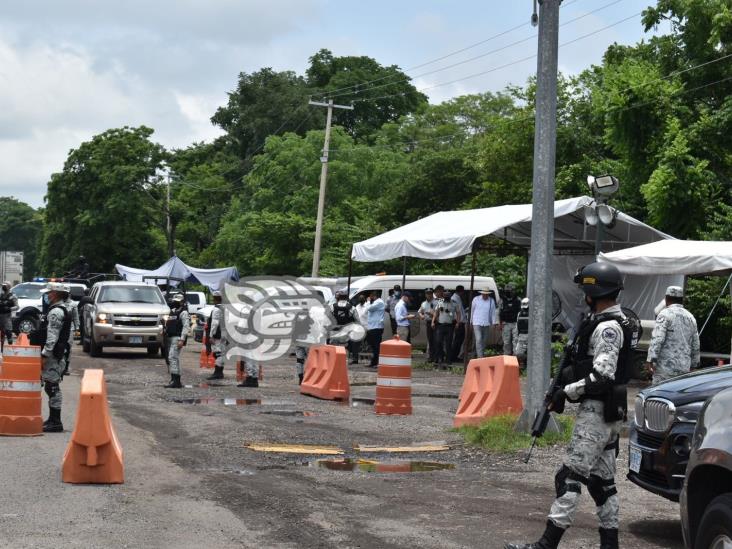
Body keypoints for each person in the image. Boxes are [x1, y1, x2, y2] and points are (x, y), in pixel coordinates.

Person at [505, 262, 630, 549]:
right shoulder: (607, 321)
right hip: (608, 413)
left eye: (585, 289)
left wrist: (566, 392)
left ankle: (547, 544)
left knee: (569, 476)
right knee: (602, 483)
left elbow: (602, 376)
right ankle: (610, 545)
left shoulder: (607, 327)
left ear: (593, 291)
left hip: (596, 413)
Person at [645, 285, 700, 384]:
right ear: (682, 300)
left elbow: (657, 339)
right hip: (684, 369)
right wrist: (694, 364)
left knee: (659, 395)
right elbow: (696, 344)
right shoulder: (691, 317)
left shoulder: (664, 314)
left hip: (665, 369)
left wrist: (650, 359)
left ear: (666, 299)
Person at [41, 282, 72, 433]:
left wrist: (45, 355)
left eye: (49, 293)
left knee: (52, 386)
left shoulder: (56, 312)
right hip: (57, 353)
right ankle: (53, 419)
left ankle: (56, 421)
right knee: (50, 385)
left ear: (56, 294)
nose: (47, 295)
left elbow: (52, 336)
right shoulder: (60, 309)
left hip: (54, 355)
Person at [164, 293, 191, 388]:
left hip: (177, 338)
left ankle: (175, 381)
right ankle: (175, 379)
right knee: (172, 358)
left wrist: (182, 339)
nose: (175, 303)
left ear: (182, 302)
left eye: (177, 302)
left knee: (172, 357)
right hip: (170, 337)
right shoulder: (173, 311)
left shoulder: (183, 312)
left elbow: (186, 327)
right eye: (174, 301)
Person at [432, 285, 456, 368]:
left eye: (448, 296)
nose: (446, 297)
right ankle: (440, 358)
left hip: (449, 325)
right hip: (441, 325)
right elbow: (436, 312)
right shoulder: (440, 302)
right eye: (445, 295)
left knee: (448, 343)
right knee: (438, 342)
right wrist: (433, 321)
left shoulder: (453, 303)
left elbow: (458, 313)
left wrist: (458, 322)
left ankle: (448, 360)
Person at [331, 289, 358, 363]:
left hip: (335, 329)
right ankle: (343, 361)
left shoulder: (332, 306)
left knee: (335, 346)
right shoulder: (351, 307)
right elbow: (357, 319)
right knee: (344, 346)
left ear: (338, 298)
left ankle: (334, 361)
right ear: (347, 298)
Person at [471, 289, 497, 358]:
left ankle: (480, 353)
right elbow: (472, 311)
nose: (485, 295)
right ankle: (480, 357)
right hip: (476, 322)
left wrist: (494, 322)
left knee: (484, 341)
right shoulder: (476, 299)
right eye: (484, 293)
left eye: (486, 294)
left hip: (486, 322)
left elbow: (493, 313)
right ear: (481, 293)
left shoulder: (491, 301)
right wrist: (471, 321)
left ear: (488, 294)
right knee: (479, 339)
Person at [206, 291, 226, 380]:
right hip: (225, 334)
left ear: (214, 299)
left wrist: (211, 335)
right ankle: (220, 371)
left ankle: (218, 372)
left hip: (217, 335)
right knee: (221, 353)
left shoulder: (216, 310)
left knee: (218, 353)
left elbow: (214, 323)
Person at [62, 291, 80, 376]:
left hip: (70, 328)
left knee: (68, 347)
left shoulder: (73, 304)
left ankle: (66, 367)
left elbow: (76, 317)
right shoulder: (59, 302)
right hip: (60, 327)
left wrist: (77, 328)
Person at [500, 283, 522, 355]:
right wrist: (499, 323)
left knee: (515, 341)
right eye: (507, 291)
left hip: (515, 323)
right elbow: (499, 312)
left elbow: (521, 312)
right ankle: (506, 357)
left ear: (513, 291)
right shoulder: (502, 300)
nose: (508, 292)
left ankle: (515, 357)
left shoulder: (518, 300)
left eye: (510, 291)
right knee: (506, 342)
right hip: (506, 323)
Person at [365, 291, 385, 367]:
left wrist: (367, 302)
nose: (370, 298)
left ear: (375, 296)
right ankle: (373, 362)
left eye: (371, 297)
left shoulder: (379, 302)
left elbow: (369, 308)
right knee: (373, 346)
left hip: (377, 327)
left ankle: (376, 362)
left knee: (376, 346)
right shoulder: (375, 302)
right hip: (372, 327)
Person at [418, 288, 437, 362]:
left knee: (437, 341)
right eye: (427, 293)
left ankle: (436, 357)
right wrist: (421, 316)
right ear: (425, 294)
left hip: (436, 323)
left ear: (432, 294)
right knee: (430, 340)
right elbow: (420, 311)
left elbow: (439, 313)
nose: (429, 295)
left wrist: (432, 314)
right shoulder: (424, 303)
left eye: (430, 293)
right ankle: (431, 357)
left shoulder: (436, 302)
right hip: (428, 323)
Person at [450, 285, 466, 362]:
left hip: (460, 322)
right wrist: (458, 322)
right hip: (458, 322)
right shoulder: (454, 299)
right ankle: (453, 356)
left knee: (459, 340)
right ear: (461, 291)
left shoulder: (457, 298)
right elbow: (455, 312)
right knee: (457, 340)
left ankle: (455, 356)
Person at [0, 281, 18, 349]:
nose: (3, 287)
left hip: (7, 317)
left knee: (8, 333)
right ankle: (1, 350)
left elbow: (17, 306)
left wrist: (9, 308)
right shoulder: (1, 295)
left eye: (5, 286)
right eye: (3, 286)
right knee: (2, 334)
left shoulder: (13, 296)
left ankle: (11, 349)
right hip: (0, 316)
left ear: (9, 287)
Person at [515, 298, 530, 368]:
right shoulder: (519, 313)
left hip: (530, 335)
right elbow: (517, 325)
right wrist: (517, 335)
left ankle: (527, 364)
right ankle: (523, 362)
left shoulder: (533, 313)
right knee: (518, 353)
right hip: (521, 335)